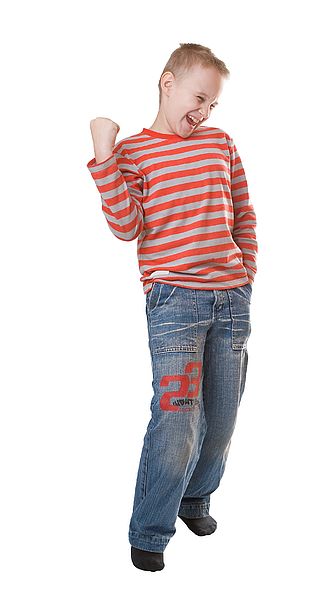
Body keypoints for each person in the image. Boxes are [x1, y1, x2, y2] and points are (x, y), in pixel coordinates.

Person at [86, 43, 258, 572]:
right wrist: (104, 155)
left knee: (223, 418)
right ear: (168, 83)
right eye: (199, 97)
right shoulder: (135, 153)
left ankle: (195, 498)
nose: (203, 111)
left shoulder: (219, 144)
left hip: (231, 300)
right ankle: (150, 530)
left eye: (212, 104)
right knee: (177, 419)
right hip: (175, 301)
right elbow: (125, 226)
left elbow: (243, 211)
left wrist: (245, 273)